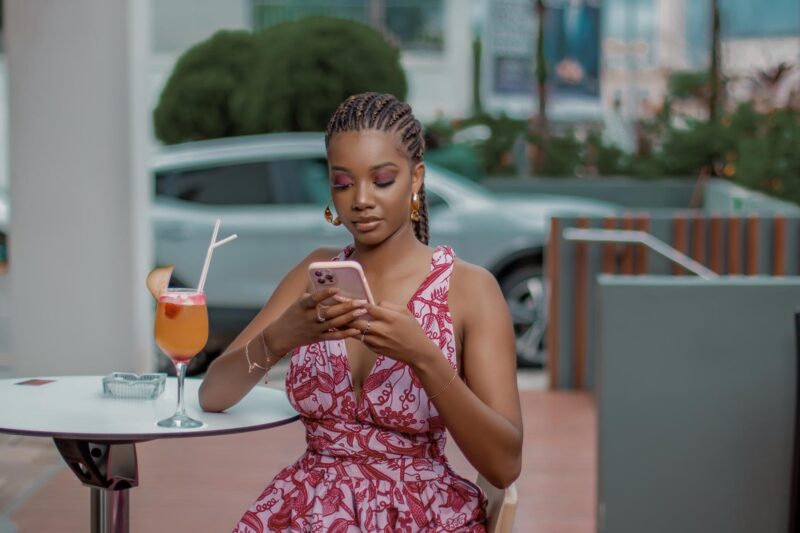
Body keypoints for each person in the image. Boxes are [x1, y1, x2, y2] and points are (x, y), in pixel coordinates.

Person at [199, 92, 523, 532]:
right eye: (344, 182)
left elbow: (504, 465)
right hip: (307, 511)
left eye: (383, 179)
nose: (361, 200)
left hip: (420, 518)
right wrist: (278, 338)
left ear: (416, 179)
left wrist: (425, 358)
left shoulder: (469, 290)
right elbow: (213, 394)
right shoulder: (313, 274)